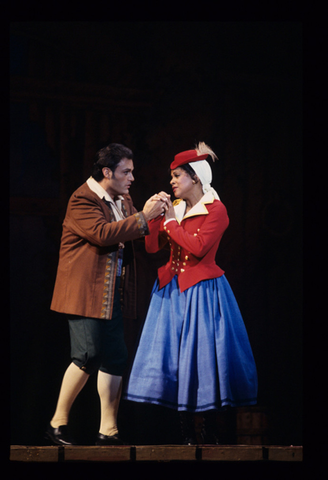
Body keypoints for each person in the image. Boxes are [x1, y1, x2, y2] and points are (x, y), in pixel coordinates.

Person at [123, 142, 258, 444]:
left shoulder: (217, 210)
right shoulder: (177, 208)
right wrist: (156, 217)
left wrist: (170, 220)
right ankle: (185, 433)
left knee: (203, 358)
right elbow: (152, 247)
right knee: (172, 359)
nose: (171, 182)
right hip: (171, 290)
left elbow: (198, 247)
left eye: (176, 176)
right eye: (171, 177)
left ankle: (208, 432)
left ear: (195, 177)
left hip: (202, 292)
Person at [47, 143, 169, 446]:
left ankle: (108, 430)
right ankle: (56, 423)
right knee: (87, 355)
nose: (131, 178)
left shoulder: (122, 199)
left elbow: (132, 229)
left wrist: (155, 213)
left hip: (111, 292)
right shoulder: (82, 199)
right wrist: (144, 216)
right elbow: (103, 234)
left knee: (115, 357)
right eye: (125, 172)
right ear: (107, 172)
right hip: (83, 292)